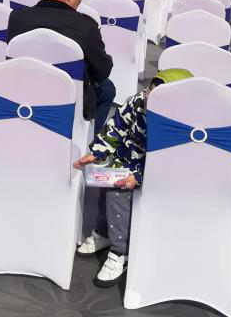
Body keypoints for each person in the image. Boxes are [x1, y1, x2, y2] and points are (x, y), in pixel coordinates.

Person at [73, 69, 194, 287]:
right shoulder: (138, 102)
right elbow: (116, 127)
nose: (147, 98)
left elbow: (168, 163)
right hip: (128, 160)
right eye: (148, 91)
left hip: (156, 172)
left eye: (155, 98)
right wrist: (97, 152)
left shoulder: (178, 125)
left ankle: (121, 251)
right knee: (105, 178)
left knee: (118, 192)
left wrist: (137, 177)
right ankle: (104, 232)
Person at [8, 0, 115, 125]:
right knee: (107, 88)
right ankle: (88, 137)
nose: (80, 1)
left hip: (22, 91)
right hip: (67, 100)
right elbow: (102, 71)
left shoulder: (17, 17)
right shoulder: (86, 26)